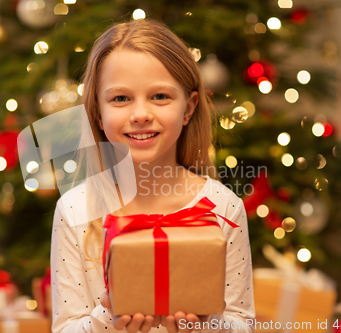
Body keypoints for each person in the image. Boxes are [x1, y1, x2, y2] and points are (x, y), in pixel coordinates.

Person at [50, 19, 255, 333]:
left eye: (160, 96)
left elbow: (243, 324)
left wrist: (204, 326)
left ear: (188, 108)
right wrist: (109, 319)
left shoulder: (222, 208)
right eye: (120, 98)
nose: (141, 114)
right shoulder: (76, 211)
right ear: (97, 114)